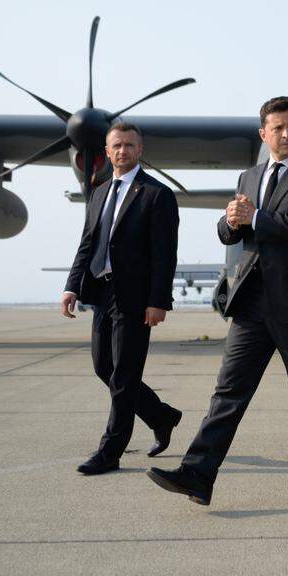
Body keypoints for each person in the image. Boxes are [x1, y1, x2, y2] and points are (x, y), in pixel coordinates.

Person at [147, 96, 288, 507]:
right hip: (251, 303)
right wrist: (230, 221)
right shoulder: (249, 176)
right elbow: (231, 233)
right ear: (263, 133)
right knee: (228, 392)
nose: (287, 134)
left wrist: (255, 219)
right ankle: (198, 473)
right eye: (279, 128)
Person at [62, 123, 182, 475]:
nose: (123, 150)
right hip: (101, 291)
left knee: (125, 375)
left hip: (136, 297)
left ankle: (110, 451)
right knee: (105, 368)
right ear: (107, 149)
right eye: (117, 145)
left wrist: (158, 300)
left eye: (130, 145)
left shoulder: (157, 194)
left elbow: (165, 254)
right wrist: (72, 286)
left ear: (140, 149)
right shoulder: (99, 192)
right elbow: (87, 243)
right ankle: (161, 415)